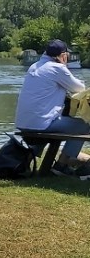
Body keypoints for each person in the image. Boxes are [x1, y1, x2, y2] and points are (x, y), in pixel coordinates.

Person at [15, 39, 90, 177]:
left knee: (45, 121)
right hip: (41, 124)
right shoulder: (57, 68)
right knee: (84, 126)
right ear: (63, 55)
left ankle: (24, 162)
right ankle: (62, 165)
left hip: (23, 123)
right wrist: (64, 66)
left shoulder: (34, 66)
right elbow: (79, 88)